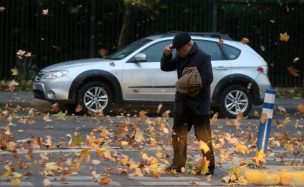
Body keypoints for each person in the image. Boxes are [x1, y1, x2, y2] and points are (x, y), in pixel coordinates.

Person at [160, 32, 215, 175]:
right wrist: (167, 54)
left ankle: (208, 167)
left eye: (180, 49)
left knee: (203, 136)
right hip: (183, 104)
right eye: (176, 50)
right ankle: (178, 165)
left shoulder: (203, 57)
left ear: (188, 45)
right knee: (178, 135)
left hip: (198, 105)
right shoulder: (179, 56)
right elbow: (166, 67)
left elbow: (208, 78)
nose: (178, 52)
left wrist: (192, 82)